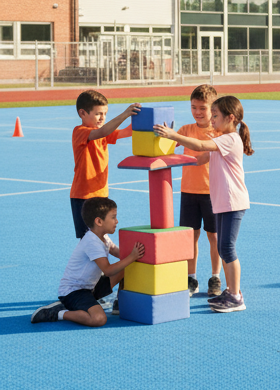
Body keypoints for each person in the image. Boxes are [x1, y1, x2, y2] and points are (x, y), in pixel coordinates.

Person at [155, 96, 252, 313]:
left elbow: (199, 145)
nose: (212, 119)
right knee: (223, 248)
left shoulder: (230, 139)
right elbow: (199, 158)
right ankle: (231, 291)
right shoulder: (222, 140)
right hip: (223, 203)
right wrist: (169, 161)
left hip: (233, 202)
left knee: (227, 248)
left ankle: (236, 296)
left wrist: (172, 135)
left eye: (215, 116)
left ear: (230, 118)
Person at [31, 197, 145, 326]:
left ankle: (119, 303)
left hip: (91, 287)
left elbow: (116, 251)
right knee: (98, 319)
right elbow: (108, 270)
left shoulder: (102, 236)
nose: (117, 221)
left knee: (127, 266)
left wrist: (140, 256)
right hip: (74, 292)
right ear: (99, 221)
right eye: (113, 217)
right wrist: (132, 257)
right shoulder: (92, 242)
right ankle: (58, 313)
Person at [70, 90, 140, 239]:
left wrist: (144, 120)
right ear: (82, 113)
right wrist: (124, 114)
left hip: (101, 194)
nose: (102, 117)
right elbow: (103, 131)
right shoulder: (80, 132)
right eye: (98, 114)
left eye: (105, 114)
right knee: (88, 240)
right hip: (84, 196)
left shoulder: (103, 132)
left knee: (102, 238)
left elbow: (127, 132)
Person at [173, 84, 221, 296]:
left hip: (212, 193)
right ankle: (191, 278)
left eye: (203, 108)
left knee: (214, 237)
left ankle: (215, 277)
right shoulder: (185, 130)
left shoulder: (218, 132)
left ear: (213, 108)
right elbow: (167, 145)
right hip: (189, 192)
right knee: (190, 237)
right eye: (194, 107)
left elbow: (204, 155)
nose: (197, 112)